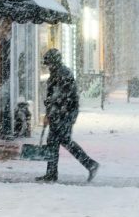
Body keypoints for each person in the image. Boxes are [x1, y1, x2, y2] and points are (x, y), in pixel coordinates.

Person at [36, 48, 99, 183]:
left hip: (64, 114)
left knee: (64, 141)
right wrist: (49, 113)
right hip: (59, 114)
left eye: (49, 63)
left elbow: (62, 98)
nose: (48, 67)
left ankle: (90, 164)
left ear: (54, 62)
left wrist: (54, 111)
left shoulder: (63, 74)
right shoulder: (56, 74)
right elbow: (53, 98)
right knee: (54, 142)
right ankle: (51, 173)